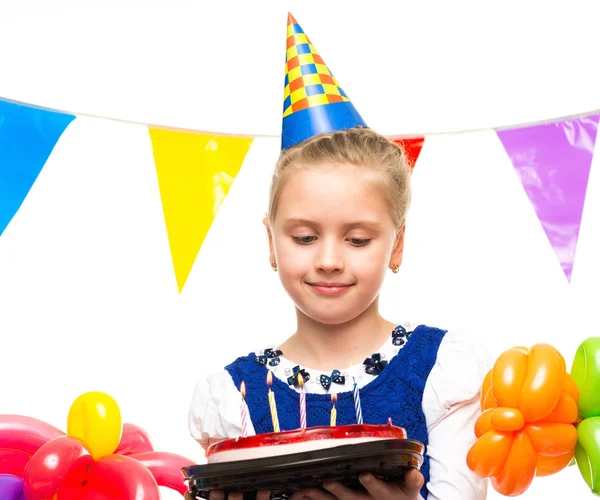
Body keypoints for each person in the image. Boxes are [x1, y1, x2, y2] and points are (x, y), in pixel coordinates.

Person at [188, 12, 489, 500]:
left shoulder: (442, 370)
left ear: (398, 244)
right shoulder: (235, 396)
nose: (329, 259)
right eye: (305, 237)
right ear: (271, 242)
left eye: (357, 239)